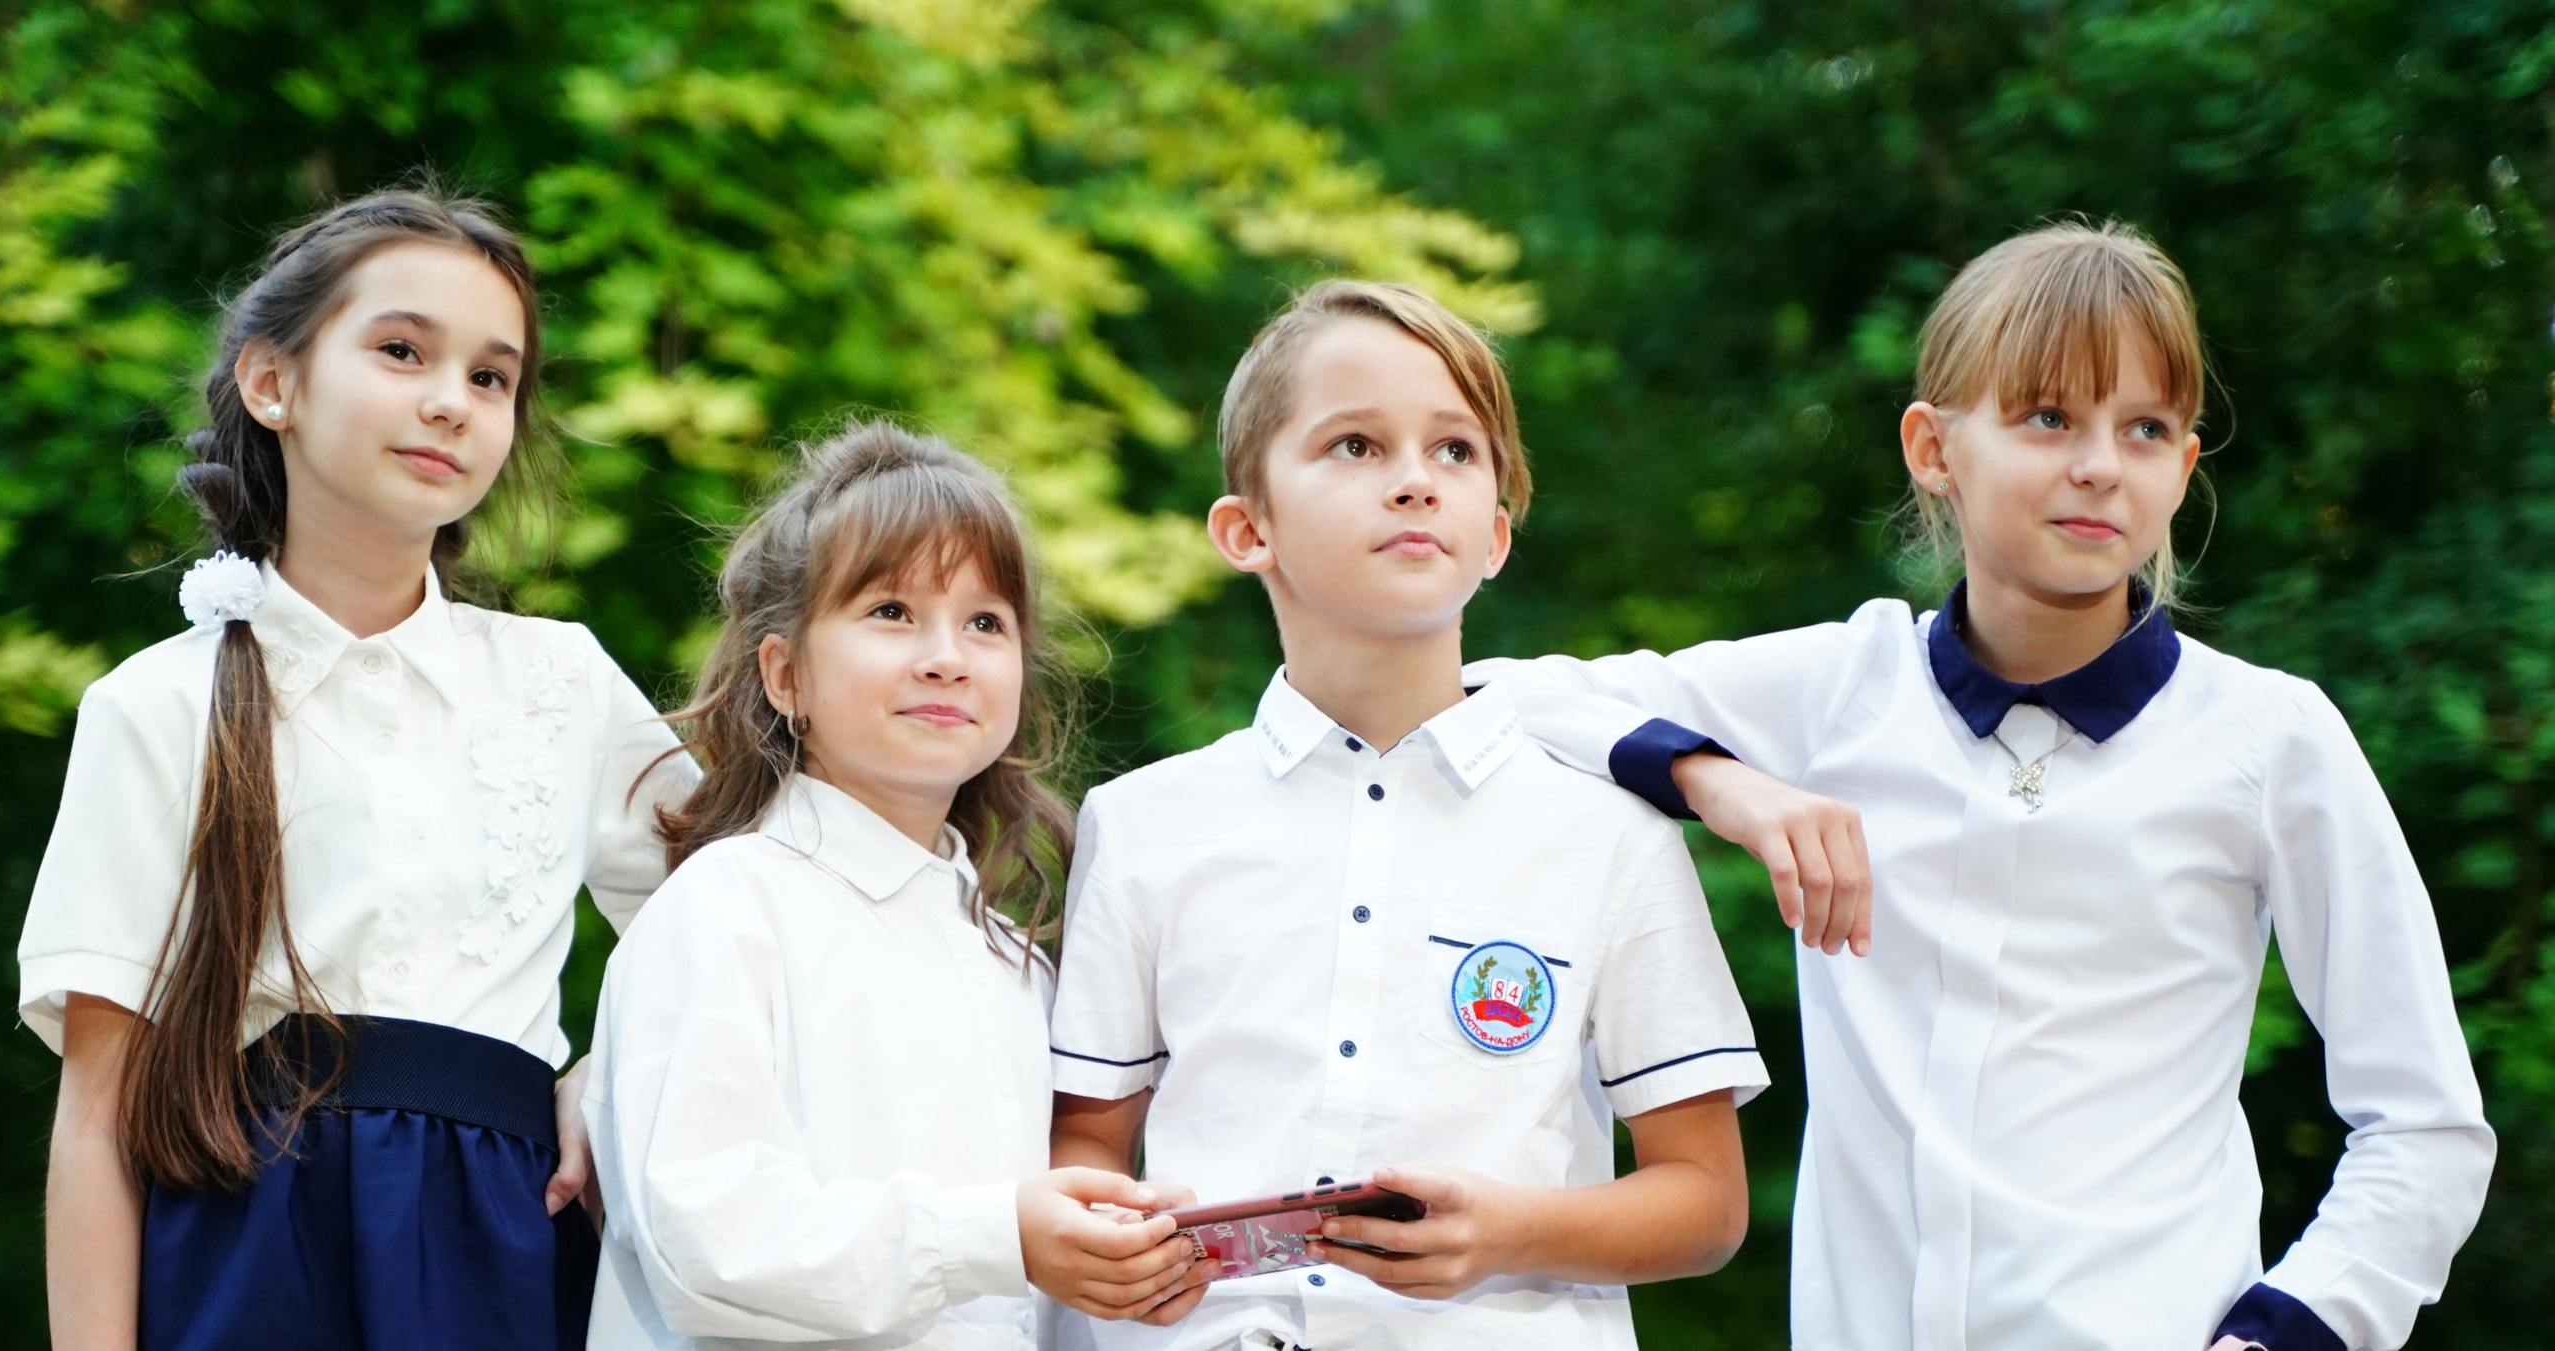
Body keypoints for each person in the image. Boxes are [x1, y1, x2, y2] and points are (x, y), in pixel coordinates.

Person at [1469, 220, 2495, 1351]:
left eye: (2144, 427)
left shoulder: (2268, 737)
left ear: (2182, 466)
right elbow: (1487, 690)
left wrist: (2289, 1333)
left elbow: (2425, 1124)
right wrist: (1723, 785)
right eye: (2049, 416)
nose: (2099, 463)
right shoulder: (1839, 687)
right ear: (1932, 448)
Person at [24, 188, 697, 1351]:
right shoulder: (157, 704)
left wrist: (609, 1068)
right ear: (271, 382)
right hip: (250, 1250)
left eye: (493, 378)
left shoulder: (564, 681)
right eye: (400, 350)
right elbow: (98, 1112)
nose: (451, 400)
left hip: (511, 1238)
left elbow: (735, 925)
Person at [1046, 280, 1767, 1351]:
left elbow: (1705, 1201)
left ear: (1496, 539)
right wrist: (1111, 1243)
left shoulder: (1610, 836)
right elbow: (1087, 1147)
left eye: (1454, 451)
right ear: (1247, 529)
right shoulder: (1143, 822)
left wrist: (1515, 1231)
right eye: (1354, 446)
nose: (1415, 483)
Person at [583, 423, 1201, 1351]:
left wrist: (1126, 1267)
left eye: (985, 623)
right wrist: (999, 1237)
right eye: (891, 612)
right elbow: (706, 1243)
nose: (946, 656)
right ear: (785, 672)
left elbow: (1029, 1290)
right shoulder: (726, 907)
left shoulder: (1016, 965)